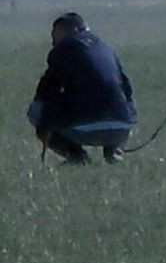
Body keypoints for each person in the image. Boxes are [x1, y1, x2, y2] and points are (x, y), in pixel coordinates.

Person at [28, 12, 137, 164]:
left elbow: (47, 90)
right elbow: (127, 90)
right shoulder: (106, 47)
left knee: (35, 110)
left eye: (56, 34)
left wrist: (46, 123)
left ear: (73, 29)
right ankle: (115, 151)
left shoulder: (63, 49)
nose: (53, 42)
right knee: (121, 105)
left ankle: (77, 157)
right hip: (121, 127)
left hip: (84, 128)